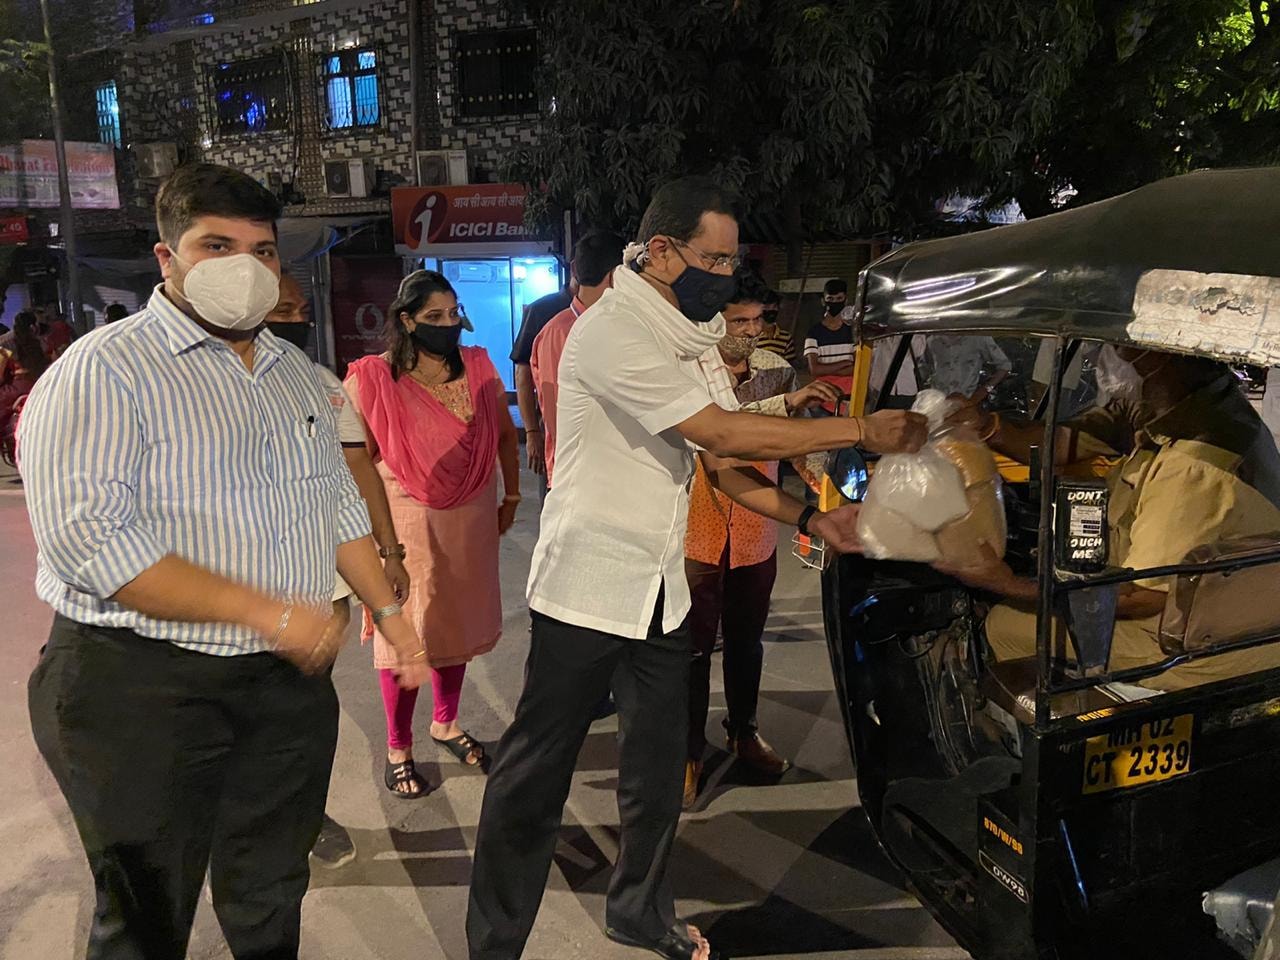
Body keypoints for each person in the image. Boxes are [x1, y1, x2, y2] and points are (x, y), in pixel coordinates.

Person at [466, 176, 927, 960]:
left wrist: (813, 519)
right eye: (712, 256)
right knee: (533, 774)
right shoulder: (614, 332)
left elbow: (721, 458)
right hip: (586, 586)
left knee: (654, 771)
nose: (723, 270)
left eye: (731, 257)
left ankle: (640, 911)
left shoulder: (693, 332)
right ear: (661, 251)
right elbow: (729, 433)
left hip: (659, 588)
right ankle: (495, 940)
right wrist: (860, 430)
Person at [19, 162, 430, 960]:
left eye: (264, 250)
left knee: (272, 888)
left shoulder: (296, 377)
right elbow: (89, 540)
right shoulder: (104, 372)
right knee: (143, 915)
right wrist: (268, 613)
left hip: (280, 688)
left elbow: (334, 506)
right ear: (166, 258)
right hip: (137, 687)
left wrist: (387, 612)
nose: (246, 269)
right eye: (217, 245)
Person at [938, 345, 1280, 690]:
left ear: (1159, 357)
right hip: (1217, 620)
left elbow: (1142, 598)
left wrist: (1007, 584)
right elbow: (1060, 444)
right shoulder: (1193, 405)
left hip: (1194, 648)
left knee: (1003, 624)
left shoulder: (1192, 465)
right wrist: (986, 426)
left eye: (1117, 347)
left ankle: (1023, 734)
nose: (1097, 358)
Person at [346, 269, 520, 796]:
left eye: (453, 314)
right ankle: (398, 746)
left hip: (470, 518)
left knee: (455, 626)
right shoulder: (374, 378)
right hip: (406, 525)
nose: (449, 325)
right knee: (408, 635)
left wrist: (511, 495)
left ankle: (444, 722)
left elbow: (505, 435)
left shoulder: (478, 368)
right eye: (434, 318)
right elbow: (357, 463)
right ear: (407, 321)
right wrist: (377, 543)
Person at [265, 273, 411, 866]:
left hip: (321, 585)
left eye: (301, 309)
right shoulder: (187, 387)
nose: (296, 320)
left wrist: (390, 552)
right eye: (284, 309)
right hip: (235, 589)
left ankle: (304, 813)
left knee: (307, 709)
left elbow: (360, 470)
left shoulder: (321, 384)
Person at [683, 269, 841, 809]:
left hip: (755, 529)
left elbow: (792, 443)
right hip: (696, 528)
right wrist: (787, 408)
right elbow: (724, 430)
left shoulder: (776, 369)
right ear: (713, 321)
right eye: (739, 320)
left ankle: (743, 730)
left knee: (747, 641)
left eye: (757, 319)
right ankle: (687, 751)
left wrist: (825, 489)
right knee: (692, 648)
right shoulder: (691, 372)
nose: (750, 330)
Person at [529, 229, 625, 488]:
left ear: (574, 268)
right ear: (619, 276)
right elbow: (557, 416)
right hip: (577, 478)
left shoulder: (615, 324)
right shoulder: (559, 332)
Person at [511, 270, 575, 496]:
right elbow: (523, 374)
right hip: (551, 432)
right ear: (576, 268)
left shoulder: (607, 310)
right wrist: (531, 432)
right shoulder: (543, 311)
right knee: (553, 505)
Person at [0, 311, 51, 463]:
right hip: (41, 387)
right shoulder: (43, 341)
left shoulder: (5, 342)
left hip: (18, 387)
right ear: (33, 326)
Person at [804, 278, 857, 413]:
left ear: (846, 300)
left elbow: (858, 368)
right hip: (822, 401)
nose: (834, 303)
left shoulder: (853, 332)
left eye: (839, 298)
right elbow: (814, 369)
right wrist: (844, 363)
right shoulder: (814, 333)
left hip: (850, 400)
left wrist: (827, 369)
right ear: (823, 301)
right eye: (830, 299)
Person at [919, 333, 1012, 401]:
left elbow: (1005, 366)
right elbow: (924, 369)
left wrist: (984, 390)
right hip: (937, 403)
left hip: (967, 403)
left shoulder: (978, 338)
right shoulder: (931, 341)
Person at [754, 288, 793, 360]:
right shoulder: (752, 337)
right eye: (767, 307)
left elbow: (790, 366)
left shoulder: (786, 337)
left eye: (774, 306)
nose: (771, 310)